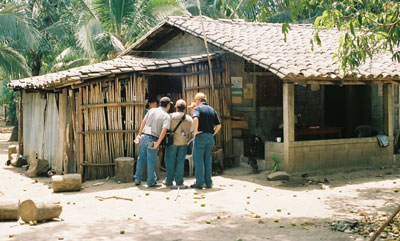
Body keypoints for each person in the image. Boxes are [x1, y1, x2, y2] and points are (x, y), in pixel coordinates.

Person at [134, 96, 172, 187]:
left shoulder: (151, 110)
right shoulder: (166, 116)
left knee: (141, 158)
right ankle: (151, 182)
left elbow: (143, 122)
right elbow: (164, 129)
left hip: (144, 136)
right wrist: (158, 142)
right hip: (153, 138)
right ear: (167, 105)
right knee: (151, 161)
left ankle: (137, 178)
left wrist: (139, 135)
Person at [190, 93, 222, 189]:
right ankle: (208, 183)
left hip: (201, 137)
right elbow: (219, 125)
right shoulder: (212, 110)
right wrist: (213, 134)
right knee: (208, 160)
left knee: (199, 160)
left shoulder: (198, 108)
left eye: (195, 101)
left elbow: (195, 119)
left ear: (198, 100)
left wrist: (195, 131)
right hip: (209, 138)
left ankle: (199, 183)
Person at [164, 99, 193, 187]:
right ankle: (179, 181)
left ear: (176, 107)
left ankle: (169, 180)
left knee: (170, 161)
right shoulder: (189, 118)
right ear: (184, 108)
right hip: (184, 142)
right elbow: (191, 130)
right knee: (181, 161)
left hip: (172, 142)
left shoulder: (170, 116)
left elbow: (166, 128)